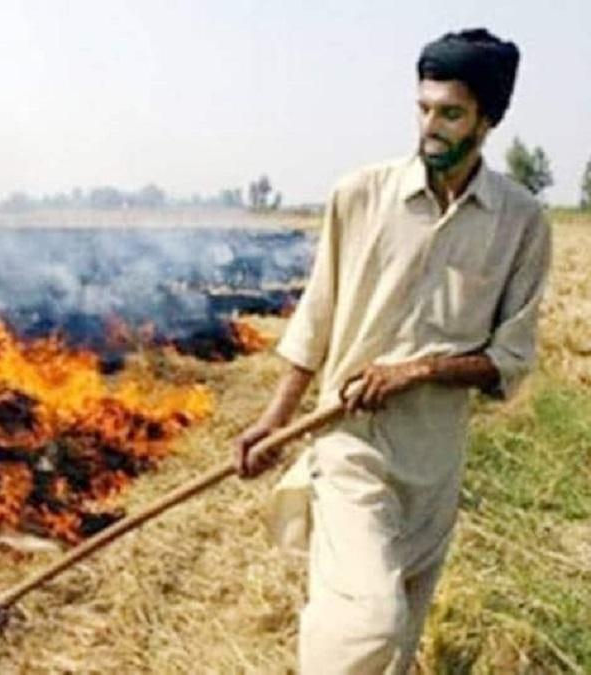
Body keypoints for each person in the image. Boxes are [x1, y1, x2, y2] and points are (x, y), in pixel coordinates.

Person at [233, 28, 551, 674]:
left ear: (487, 120)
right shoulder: (359, 196)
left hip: (435, 464)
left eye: (451, 113)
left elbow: (511, 359)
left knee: (396, 645)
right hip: (351, 445)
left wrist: (420, 370)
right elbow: (317, 318)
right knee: (368, 622)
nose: (430, 127)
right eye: (424, 108)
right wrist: (274, 420)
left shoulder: (521, 223)